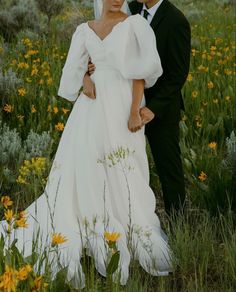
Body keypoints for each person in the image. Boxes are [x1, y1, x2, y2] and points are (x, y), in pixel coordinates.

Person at [0, 0, 172, 289]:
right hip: (90, 108)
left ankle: (124, 220)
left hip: (121, 105)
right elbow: (73, 70)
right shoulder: (84, 29)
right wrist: (84, 77)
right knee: (85, 164)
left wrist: (134, 111)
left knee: (123, 165)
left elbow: (140, 72)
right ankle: (83, 219)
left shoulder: (134, 25)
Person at [84, 0, 191, 216]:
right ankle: (123, 214)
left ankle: (178, 222)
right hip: (122, 104)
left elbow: (177, 74)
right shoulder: (127, 8)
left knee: (167, 165)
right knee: (126, 163)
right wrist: (90, 70)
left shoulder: (176, 20)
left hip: (158, 109)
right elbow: (105, 46)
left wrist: (152, 108)